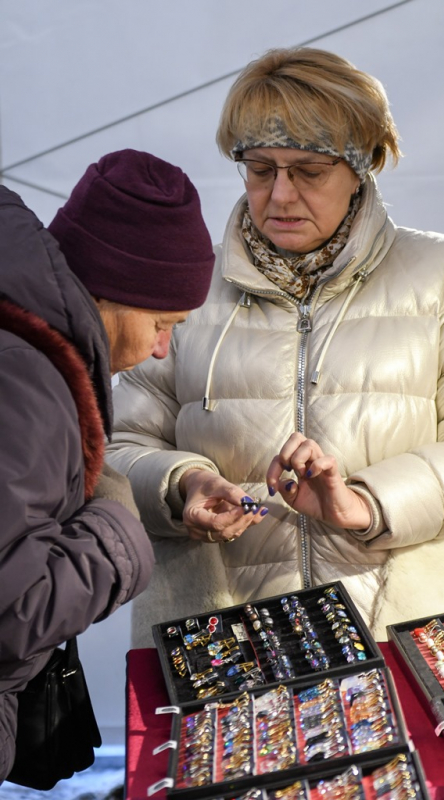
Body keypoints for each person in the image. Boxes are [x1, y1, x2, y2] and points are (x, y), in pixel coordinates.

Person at [107, 48, 444, 649]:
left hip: (407, 629)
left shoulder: (441, 274)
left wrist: (366, 502)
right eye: (259, 170)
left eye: (308, 172)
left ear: (362, 168)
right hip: (224, 643)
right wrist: (182, 487)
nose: (280, 195)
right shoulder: (192, 286)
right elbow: (117, 448)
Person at [0, 148, 215, 783]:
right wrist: (119, 529)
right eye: (161, 321)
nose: (159, 348)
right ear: (112, 290)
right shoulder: (28, 380)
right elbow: (15, 610)